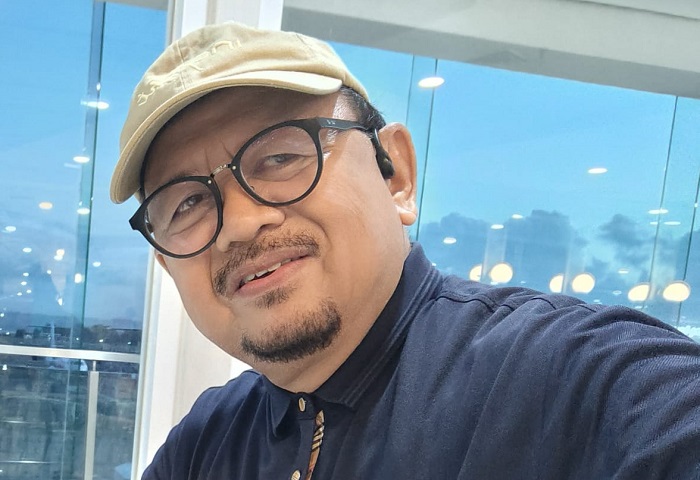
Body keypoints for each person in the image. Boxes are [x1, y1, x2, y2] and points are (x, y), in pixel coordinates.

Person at [110, 22, 700, 480]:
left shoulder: (582, 383)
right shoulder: (206, 444)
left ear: (396, 174)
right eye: (186, 204)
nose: (239, 224)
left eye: (281, 156)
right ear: (165, 262)